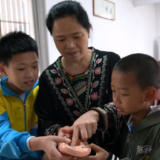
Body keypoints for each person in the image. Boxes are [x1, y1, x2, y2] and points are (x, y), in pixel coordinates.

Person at [34, 0, 120, 156]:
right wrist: (59, 131)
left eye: (76, 36)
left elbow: (128, 104)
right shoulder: (48, 77)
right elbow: (44, 122)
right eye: (61, 39)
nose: (70, 45)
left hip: (113, 154)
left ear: (88, 30)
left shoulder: (111, 62)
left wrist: (96, 113)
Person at [0, 31, 72, 160]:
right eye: (21, 69)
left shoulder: (42, 89)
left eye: (34, 66)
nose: (30, 74)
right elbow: (2, 135)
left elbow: (52, 121)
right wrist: (36, 143)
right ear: (3, 69)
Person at [75, 53, 160, 160]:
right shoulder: (123, 122)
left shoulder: (157, 129)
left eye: (124, 94)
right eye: (113, 91)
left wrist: (110, 158)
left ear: (148, 95)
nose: (115, 99)